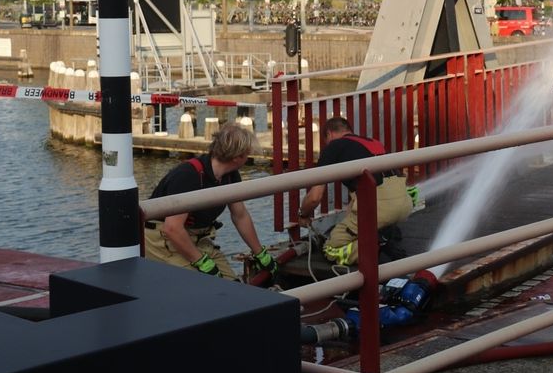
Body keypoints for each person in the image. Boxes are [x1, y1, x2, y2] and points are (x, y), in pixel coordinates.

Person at [143, 122, 277, 281]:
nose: (248, 157)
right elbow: (172, 228)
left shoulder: (230, 176)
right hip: (163, 240)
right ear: (236, 157)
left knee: (233, 286)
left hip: (197, 237)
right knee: (204, 287)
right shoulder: (188, 176)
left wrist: (259, 252)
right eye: (247, 153)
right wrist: (200, 261)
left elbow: (240, 216)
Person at [297, 116, 418, 266]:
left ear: (329, 134)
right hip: (404, 204)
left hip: (380, 209)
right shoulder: (372, 143)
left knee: (330, 249)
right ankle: (385, 235)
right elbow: (358, 195)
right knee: (361, 224)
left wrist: (303, 214)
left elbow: (315, 197)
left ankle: (378, 242)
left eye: (325, 140)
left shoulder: (334, 147)